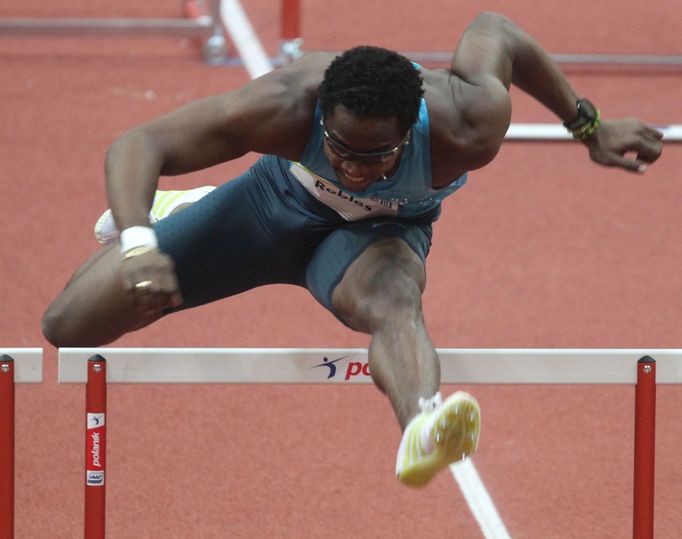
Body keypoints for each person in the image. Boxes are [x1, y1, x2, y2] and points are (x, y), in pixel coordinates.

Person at [42, 12, 663, 487]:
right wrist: (138, 246)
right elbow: (139, 143)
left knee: (396, 300)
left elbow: (495, 30)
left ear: (412, 127)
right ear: (320, 121)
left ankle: (422, 422)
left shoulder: (470, 120)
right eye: (339, 148)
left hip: (378, 237)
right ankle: (180, 210)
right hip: (270, 206)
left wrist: (588, 125)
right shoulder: (285, 104)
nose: (354, 167)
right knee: (69, 325)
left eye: (376, 156)